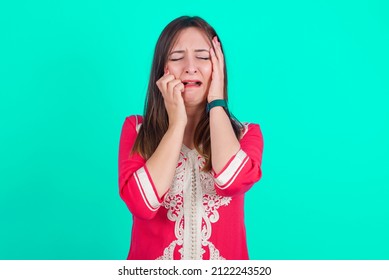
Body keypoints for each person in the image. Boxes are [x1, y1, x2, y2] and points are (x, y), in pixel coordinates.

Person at [118, 16, 264, 260]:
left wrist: (217, 101)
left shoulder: (246, 134)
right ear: (161, 69)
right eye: (176, 57)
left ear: (219, 67)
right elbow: (143, 205)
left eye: (203, 57)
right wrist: (177, 124)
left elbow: (231, 181)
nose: (190, 67)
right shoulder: (136, 130)